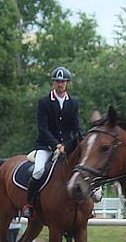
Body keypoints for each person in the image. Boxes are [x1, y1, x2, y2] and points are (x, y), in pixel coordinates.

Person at [23, 66, 82, 218]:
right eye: (57, 81)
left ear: (67, 83)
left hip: (67, 146)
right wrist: (57, 145)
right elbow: (43, 128)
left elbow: (76, 127)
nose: (60, 84)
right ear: (53, 83)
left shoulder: (73, 102)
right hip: (46, 145)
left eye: (62, 81)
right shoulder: (44, 102)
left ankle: (85, 206)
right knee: (38, 171)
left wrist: (76, 142)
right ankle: (30, 204)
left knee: (83, 169)